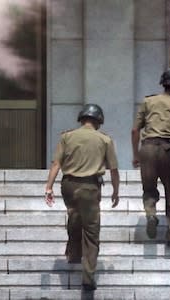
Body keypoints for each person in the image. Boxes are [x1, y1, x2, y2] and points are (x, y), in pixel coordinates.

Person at [44, 104, 120, 292]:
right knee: (91, 232)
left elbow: (56, 163)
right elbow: (114, 170)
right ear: (99, 121)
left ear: (81, 119)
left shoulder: (67, 136)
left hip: (68, 185)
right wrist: (116, 191)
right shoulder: (105, 140)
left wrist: (48, 187)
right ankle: (87, 277)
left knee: (74, 215)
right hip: (89, 187)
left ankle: (73, 252)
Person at [131, 68, 170, 246]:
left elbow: (135, 130)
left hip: (149, 148)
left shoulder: (148, 102)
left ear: (163, 83)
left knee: (149, 189)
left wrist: (136, 155)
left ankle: (151, 213)